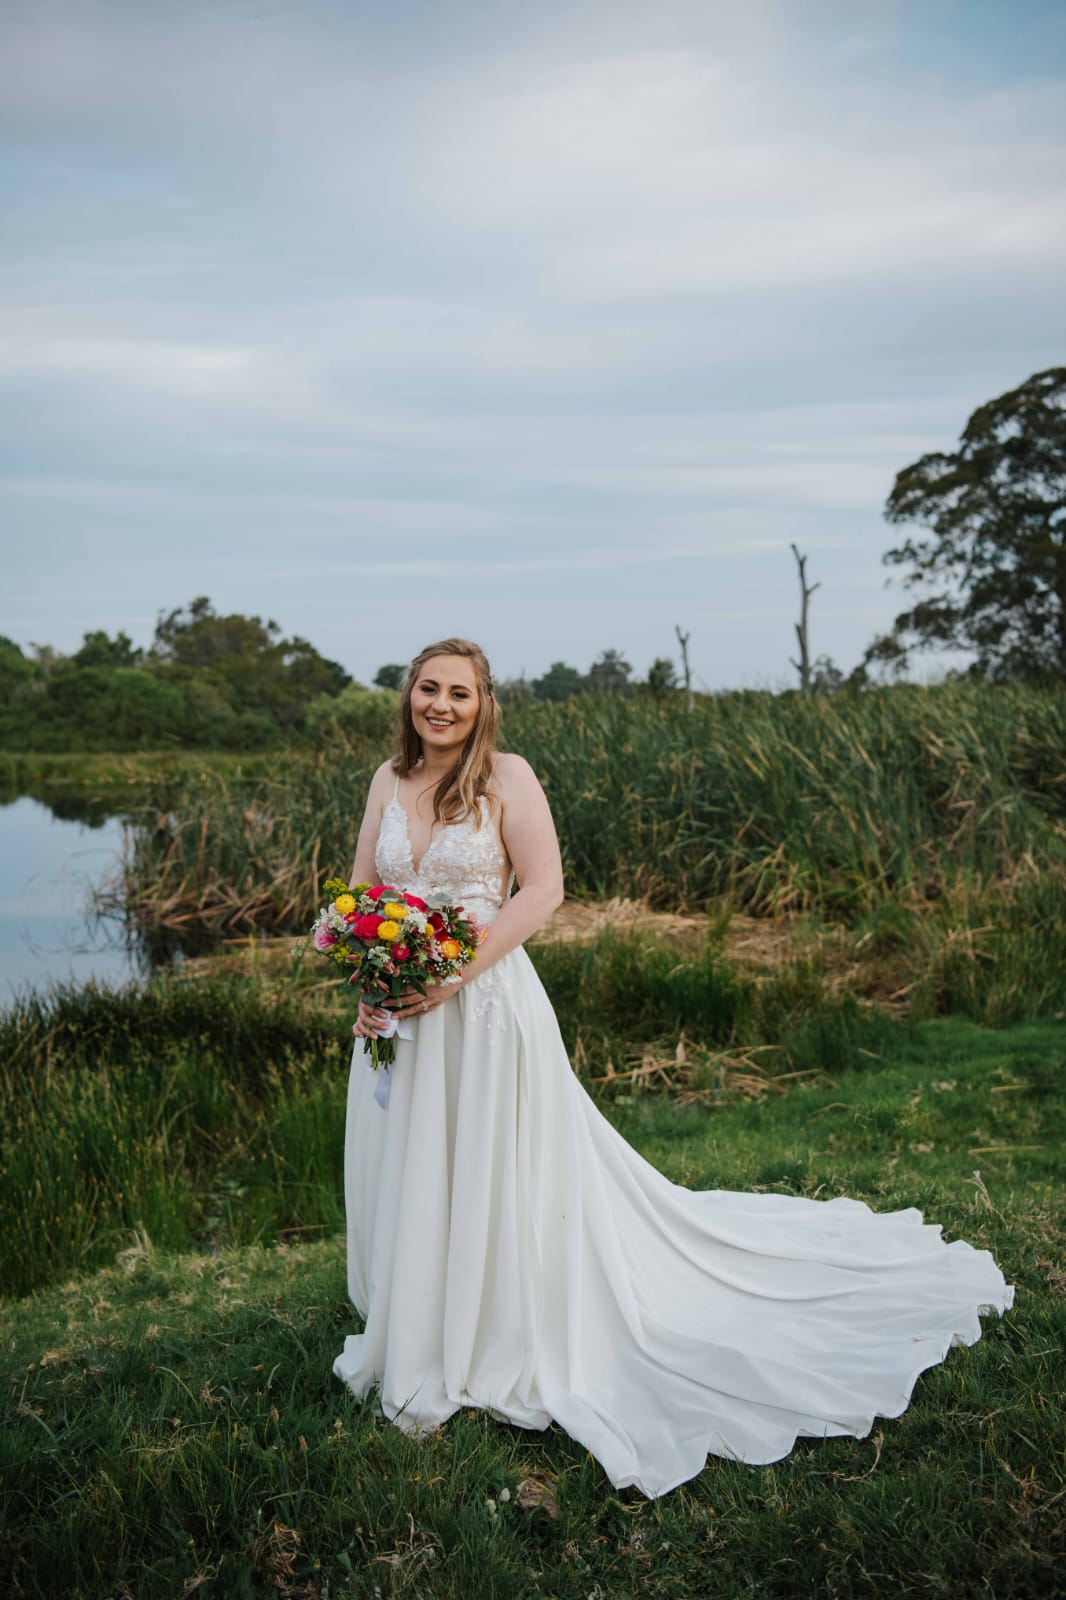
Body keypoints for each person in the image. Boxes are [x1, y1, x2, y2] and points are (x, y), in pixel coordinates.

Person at [332, 636, 1014, 1499]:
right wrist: (371, 984)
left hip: (485, 1006)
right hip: (397, 1011)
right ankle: (419, 1311)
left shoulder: (509, 775)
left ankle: (486, 1321)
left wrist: (456, 974)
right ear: (408, 696)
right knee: (413, 1162)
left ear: (483, 703)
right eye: (428, 689)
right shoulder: (387, 781)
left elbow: (543, 889)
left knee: (491, 1166)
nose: (441, 705)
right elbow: (361, 895)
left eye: (458, 693)